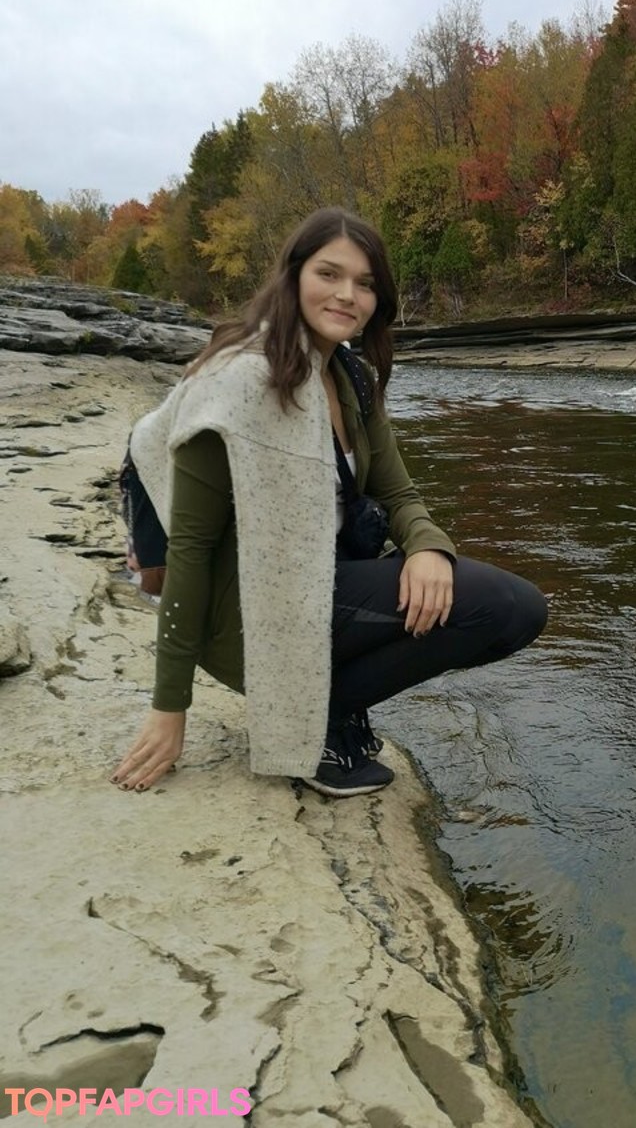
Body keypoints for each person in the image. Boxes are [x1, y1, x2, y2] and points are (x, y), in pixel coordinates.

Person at [111, 208, 548, 798]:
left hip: (318, 582)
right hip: (248, 615)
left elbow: (398, 491)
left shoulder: (349, 376)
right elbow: (191, 550)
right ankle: (312, 724)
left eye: (365, 283)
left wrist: (428, 548)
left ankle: (328, 708)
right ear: (292, 276)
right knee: (494, 603)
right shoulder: (234, 383)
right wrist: (170, 708)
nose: (347, 295)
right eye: (329, 274)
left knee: (517, 610)